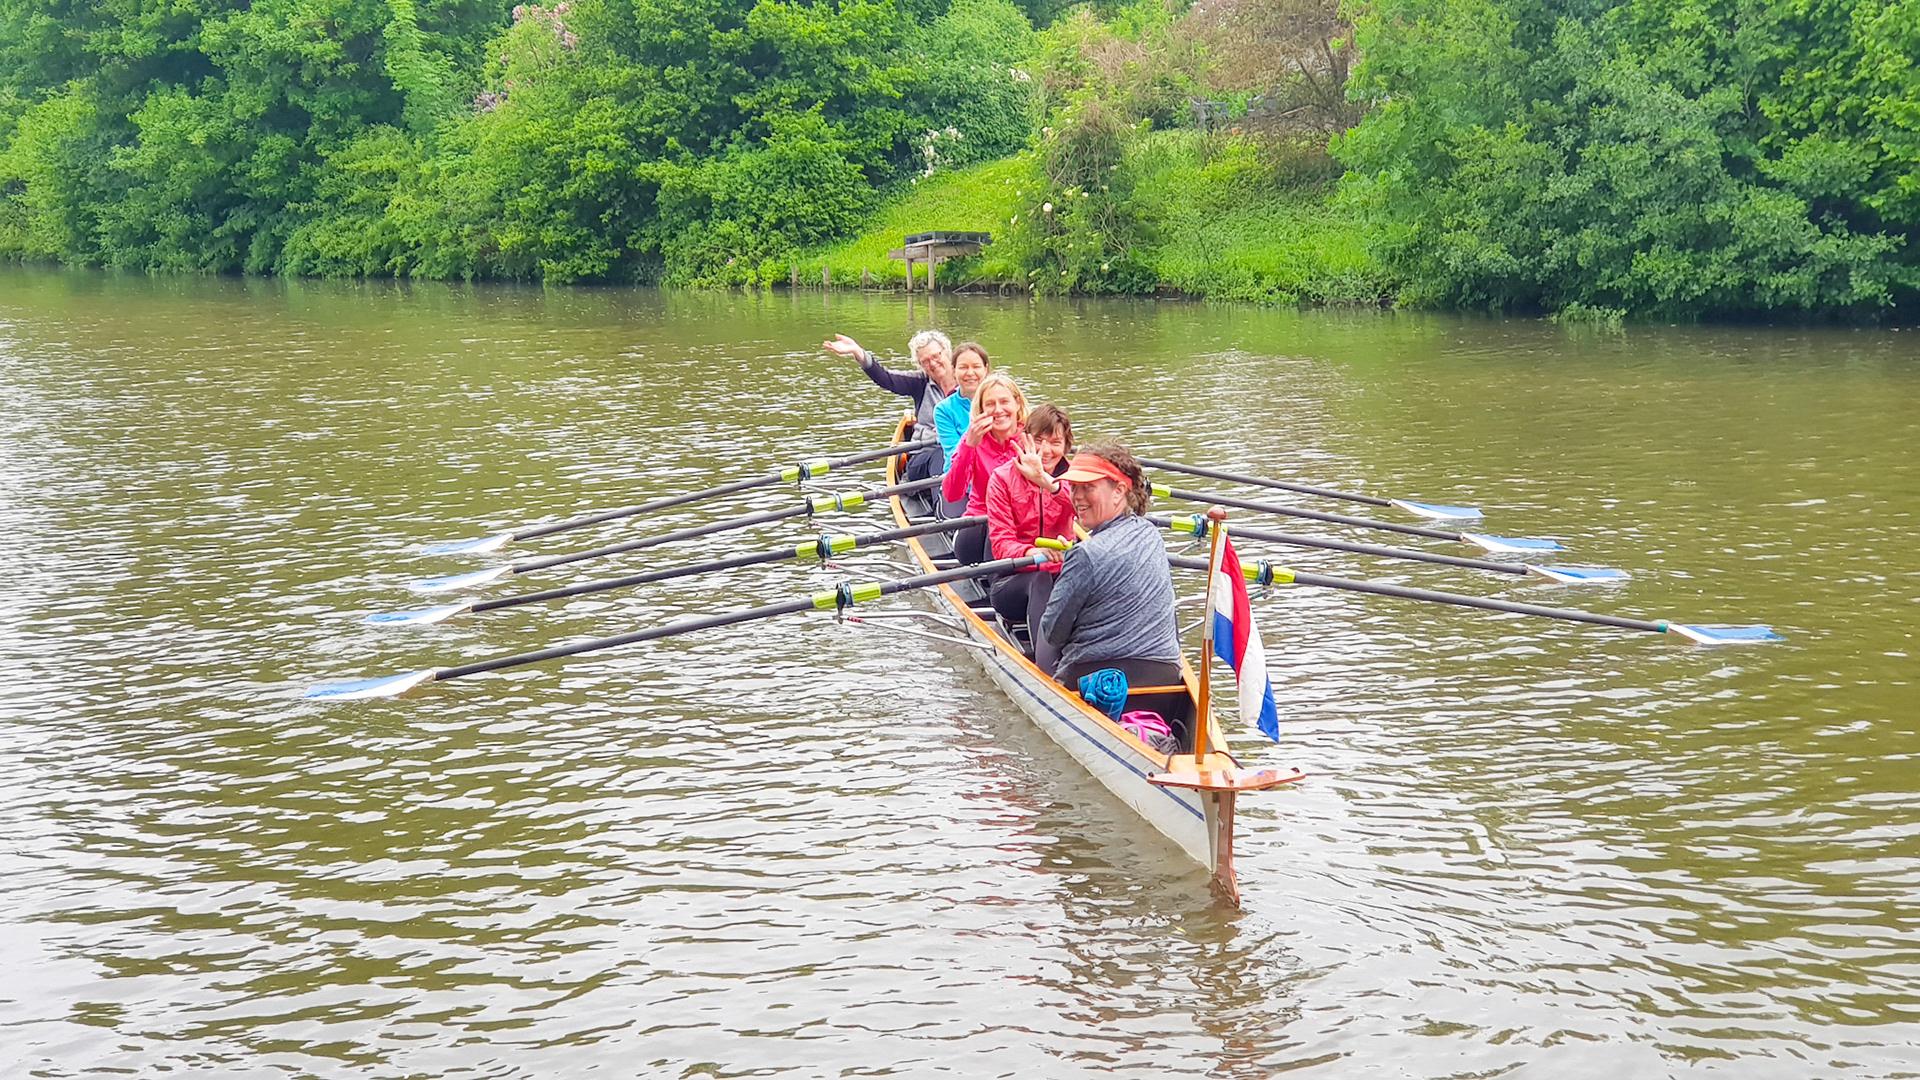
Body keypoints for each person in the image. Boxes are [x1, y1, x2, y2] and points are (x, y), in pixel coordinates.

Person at [1038, 442, 1182, 695]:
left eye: (1088, 487)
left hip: (1095, 682)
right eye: (1074, 487)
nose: (1077, 497)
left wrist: (1071, 564)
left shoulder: (1084, 555)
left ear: (1119, 491)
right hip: (1163, 678)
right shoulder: (1151, 534)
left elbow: (1053, 633)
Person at [986, 404, 1075, 673]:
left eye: (1055, 443)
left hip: (1063, 571)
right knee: (1041, 577)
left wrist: (1046, 481)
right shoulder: (1001, 479)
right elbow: (1001, 545)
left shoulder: (1074, 478)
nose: (1046, 451)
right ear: (1023, 440)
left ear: (1067, 446)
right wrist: (1034, 556)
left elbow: (1088, 515)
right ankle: (1047, 669)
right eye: (1038, 441)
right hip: (1011, 581)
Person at [823, 330, 956, 481]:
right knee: (940, 456)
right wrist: (858, 352)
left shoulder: (969, 381)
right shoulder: (920, 383)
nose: (932, 364)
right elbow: (886, 378)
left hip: (960, 449)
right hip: (926, 454)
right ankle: (942, 501)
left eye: (936, 356)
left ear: (947, 353)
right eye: (925, 361)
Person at [942, 371, 1028, 564]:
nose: (998, 410)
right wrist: (968, 447)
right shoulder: (971, 439)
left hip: (1023, 525)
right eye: (990, 404)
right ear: (981, 410)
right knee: (994, 525)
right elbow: (952, 494)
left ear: (1017, 404)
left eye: (1004, 402)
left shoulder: (1031, 437)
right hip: (981, 524)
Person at [932, 342, 992, 468]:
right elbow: (955, 455)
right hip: (961, 475)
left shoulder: (999, 403)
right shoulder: (943, 410)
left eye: (976, 367)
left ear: (985, 369)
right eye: (963, 367)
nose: (970, 373)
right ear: (953, 371)